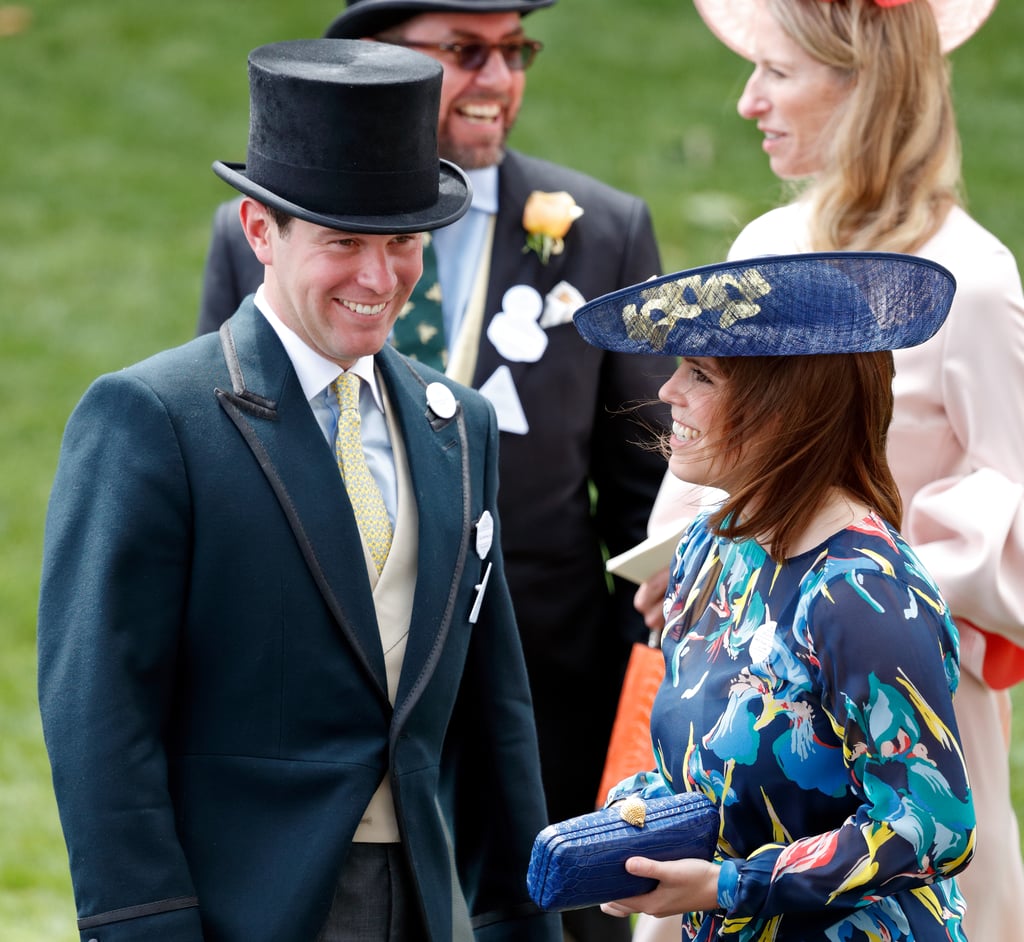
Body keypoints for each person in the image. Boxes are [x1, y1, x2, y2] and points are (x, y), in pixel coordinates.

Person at [37, 39, 562, 942]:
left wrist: (520, 916)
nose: (378, 277)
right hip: (242, 910)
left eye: (401, 242)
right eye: (343, 242)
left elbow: (491, 706)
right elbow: (100, 714)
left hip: (428, 905)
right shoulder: (152, 419)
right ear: (258, 232)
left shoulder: (459, 423)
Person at [198, 3, 673, 940]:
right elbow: (232, 457)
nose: (497, 79)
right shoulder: (254, 234)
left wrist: (646, 713)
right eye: (464, 51)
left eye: (515, 51)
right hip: (328, 709)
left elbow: (644, 500)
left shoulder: (602, 232)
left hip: (544, 697)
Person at [632, 1, 1024, 938]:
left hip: (894, 696)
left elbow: (1010, 513)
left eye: (775, 72)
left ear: (862, 84)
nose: (746, 101)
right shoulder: (765, 244)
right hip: (736, 699)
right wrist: (685, 564)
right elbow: (710, 456)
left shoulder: (971, 279)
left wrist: (850, 592)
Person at [571, 251, 977, 941]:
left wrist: (731, 885)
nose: (667, 392)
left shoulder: (862, 595)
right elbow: (705, 759)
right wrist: (635, 825)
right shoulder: (710, 546)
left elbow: (933, 825)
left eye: (700, 375)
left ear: (787, 409)